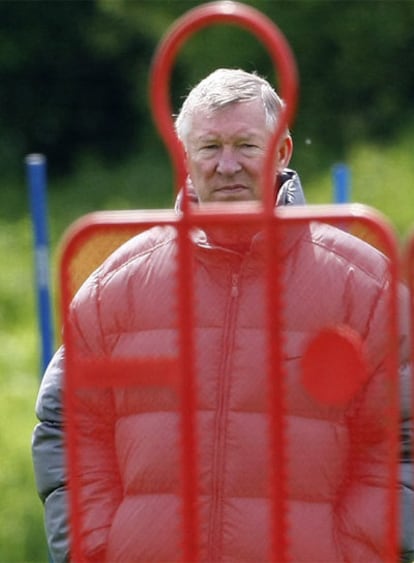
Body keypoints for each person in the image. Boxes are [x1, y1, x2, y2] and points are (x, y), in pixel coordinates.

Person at [32, 68, 413, 562]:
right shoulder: (117, 286)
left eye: (246, 146)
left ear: (281, 152)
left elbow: (401, 441)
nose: (227, 165)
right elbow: (67, 427)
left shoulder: (365, 287)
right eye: (210, 147)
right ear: (185, 157)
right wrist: (100, 547)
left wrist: (354, 552)